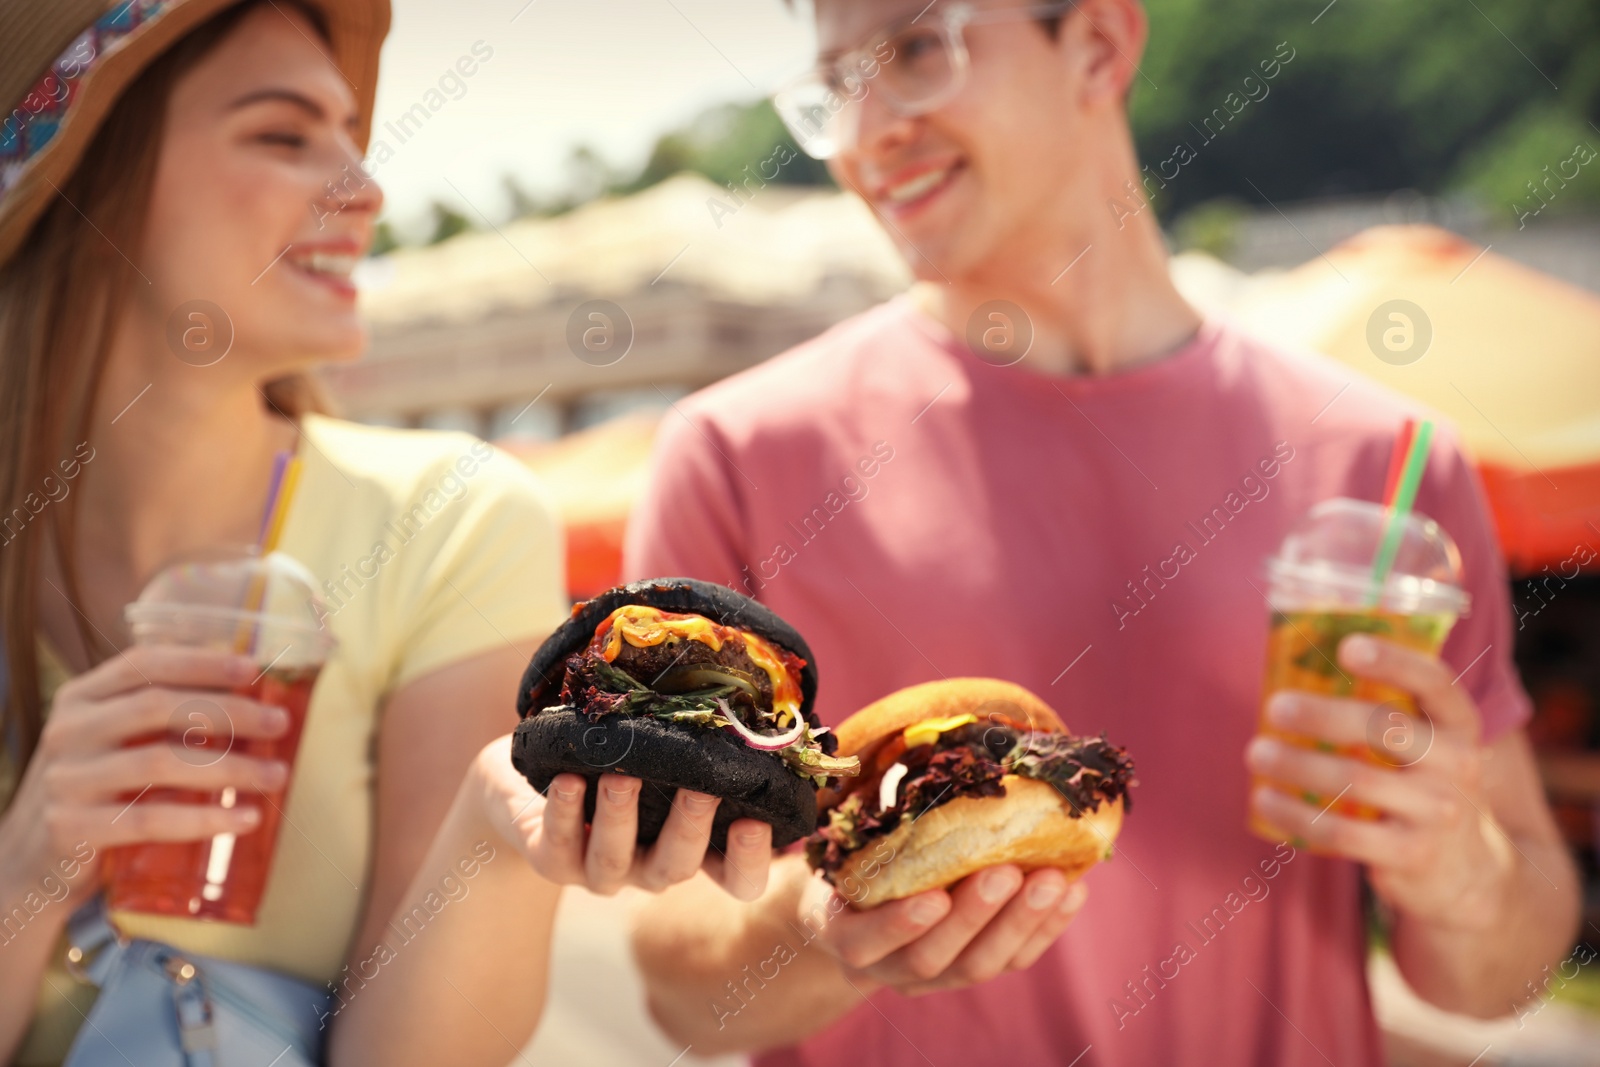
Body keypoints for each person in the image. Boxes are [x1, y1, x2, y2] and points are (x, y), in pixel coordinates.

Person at [625, 0, 1580, 1064]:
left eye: (914, 50)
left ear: (1098, 43)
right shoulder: (733, 454)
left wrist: (1457, 868)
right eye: (832, 86)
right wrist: (820, 929)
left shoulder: (1385, 465)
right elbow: (681, 993)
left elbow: (1502, 977)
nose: (864, 134)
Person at [0, 3, 769, 1065]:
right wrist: (31, 863)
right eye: (282, 135)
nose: (363, 191)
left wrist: (496, 835)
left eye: (351, 138)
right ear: (90, 184)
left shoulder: (451, 519)